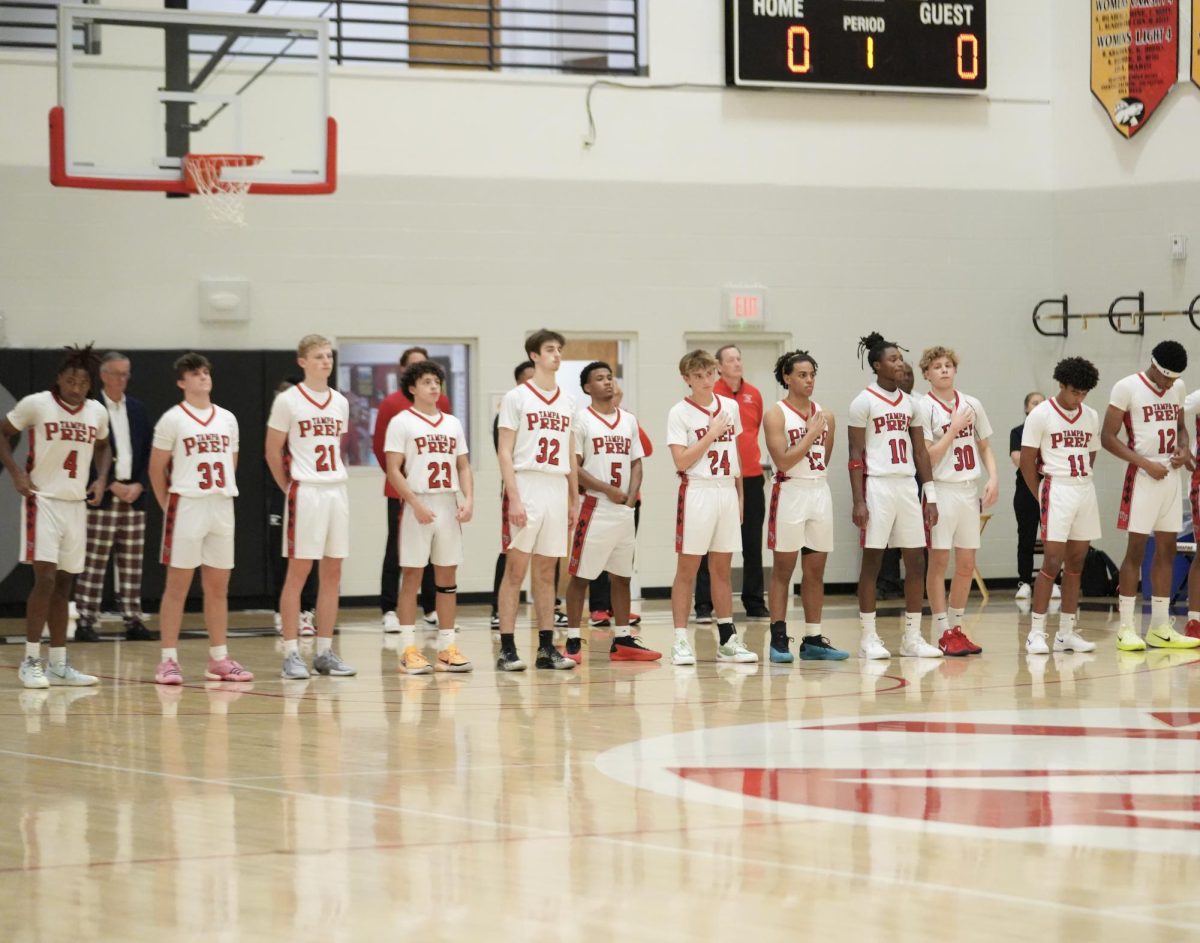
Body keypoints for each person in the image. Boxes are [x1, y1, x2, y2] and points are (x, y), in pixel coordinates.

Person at [0, 344, 109, 689]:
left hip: (76, 505)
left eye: (82, 382)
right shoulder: (37, 404)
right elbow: (3, 432)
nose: (76, 387)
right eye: (70, 380)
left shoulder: (96, 412)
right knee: (44, 580)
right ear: (59, 379)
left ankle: (59, 664)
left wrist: (102, 478)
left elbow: (104, 448)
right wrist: (16, 473)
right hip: (42, 500)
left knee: (65, 585)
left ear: (90, 384)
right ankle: (31, 659)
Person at [148, 353, 254, 685]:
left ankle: (219, 658)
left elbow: (231, 462)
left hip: (221, 504)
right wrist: (168, 504)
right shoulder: (172, 419)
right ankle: (167, 659)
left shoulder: (227, 418)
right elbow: (156, 468)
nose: (203, 377)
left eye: (206, 372)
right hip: (187, 504)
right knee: (177, 586)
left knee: (218, 586)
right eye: (195, 374)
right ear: (182, 382)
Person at [266, 334, 357, 679]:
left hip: (336, 490)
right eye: (318, 356)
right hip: (305, 491)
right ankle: (291, 653)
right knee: (298, 573)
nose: (325, 362)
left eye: (329, 356)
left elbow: (338, 446)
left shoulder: (340, 402)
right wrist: (288, 486)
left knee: (333, 573)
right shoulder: (288, 401)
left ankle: (324, 651)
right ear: (302, 361)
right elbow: (271, 451)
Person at [848, 333, 941, 660]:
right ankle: (869, 637)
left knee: (916, 561)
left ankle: (912, 637)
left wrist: (929, 494)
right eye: (893, 359)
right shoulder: (863, 402)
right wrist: (858, 499)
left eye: (901, 358)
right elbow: (855, 453)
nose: (900, 363)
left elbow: (920, 451)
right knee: (872, 562)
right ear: (877, 365)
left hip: (906, 486)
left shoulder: (911, 403)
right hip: (877, 486)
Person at [1101, 341, 1198, 650]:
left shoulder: (1178, 387)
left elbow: (1181, 426)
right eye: (1167, 377)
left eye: (1175, 379)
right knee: (1136, 552)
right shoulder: (1126, 387)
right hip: (1142, 475)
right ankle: (1126, 627)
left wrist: (1184, 448)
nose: (1171, 384)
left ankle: (1159, 626)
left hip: (1171, 475)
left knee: (1167, 550)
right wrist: (1145, 463)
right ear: (1155, 366)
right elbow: (1107, 437)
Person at [564, 361, 660, 662]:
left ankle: (622, 640)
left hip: (623, 509)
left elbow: (637, 461)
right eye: (599, 379)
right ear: (587, 388)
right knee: (581, 575)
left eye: (610, 377)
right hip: (594, 506)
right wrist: (607, 489)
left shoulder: (627, 420)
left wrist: (631, 497)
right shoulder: (581, 420)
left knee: (622, 575)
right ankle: (573, 639)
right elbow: (574, 467)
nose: (607, 382)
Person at [383, 358, 474, 673]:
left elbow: (463, 465)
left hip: (448, 503)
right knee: (412, 577)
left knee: (447, 580)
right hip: (418, 503)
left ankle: (448, 647)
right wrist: (413, 502)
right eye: (426, 382)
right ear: (412, 388)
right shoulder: (401, 422)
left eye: (437, 381)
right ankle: (408, 649)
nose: (434, 386)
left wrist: (469, 499)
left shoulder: (452, 423)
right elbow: (393, 469)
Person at [495, 329, 578, 671]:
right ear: (534, 355)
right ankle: (507, 648)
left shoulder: (569, 400)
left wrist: (574, 499)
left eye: (559, 350)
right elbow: (504, 451)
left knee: (547, 572)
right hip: (526, 484)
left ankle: (546, 648)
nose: (556, 355)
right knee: (516, 571)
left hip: (556, 487)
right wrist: (513, 497)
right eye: (549, 349)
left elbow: (572, 454)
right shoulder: (516, 397)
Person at [667, 349, 755, 666]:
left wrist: (740, 494)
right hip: (697, 491)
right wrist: (711, 434)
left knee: (722, 568)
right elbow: (681, 460)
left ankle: (728, 639)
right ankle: (679, 640)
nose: (705, 381)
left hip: (726, 491)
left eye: (709, 374)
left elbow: (736, 455)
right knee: (687, 570)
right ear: (687, 379)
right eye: (698, 376)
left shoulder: (730, 406)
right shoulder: (679, 413)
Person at [763, 349, 847, 663]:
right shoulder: (776, 414)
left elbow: (823, 459)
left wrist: (815, 435)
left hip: (818, 491)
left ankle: (813, 638)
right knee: (783, 569)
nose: (809, 380)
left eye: (812, 374)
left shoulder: (827, 415)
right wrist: (811, 434)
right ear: (787, 377)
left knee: (815, 570)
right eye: (802, 374)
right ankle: (778, 637)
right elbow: (783, 460)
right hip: (789, 492)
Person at [1019, 357, 1102, 655]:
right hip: (1056, 487)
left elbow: (1092, 455)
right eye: (1074, 392)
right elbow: (1027, 461)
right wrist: (1039, 492)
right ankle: (1036, 633)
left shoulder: (1090, 415)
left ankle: (1066, 633)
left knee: (1077, 562)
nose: (1079, 397)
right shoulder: (1041, 415)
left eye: (1084, 393)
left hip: (1084, 488)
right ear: (1062, 385)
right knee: (1052, 561)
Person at [919, 346, 998, 656]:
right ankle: (941, 631)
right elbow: (927, 455)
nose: (944, 370)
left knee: (967, 564)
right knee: (939, 562)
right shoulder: (923, 407)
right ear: (927, 373)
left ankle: (957, 628)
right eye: (937, 366)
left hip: (968, 489)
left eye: (948, 364)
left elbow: (986, 447)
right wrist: (951, 430)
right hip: (941, 490)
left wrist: (993, 477)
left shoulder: (972, 404)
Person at [75, 350, 157, 641]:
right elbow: (86, 452)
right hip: (105, 496)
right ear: (104, 375)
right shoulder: (91, 408)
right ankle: (86, 620)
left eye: (126, 374)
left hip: (134, 495)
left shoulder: (136, 408)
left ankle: (133, 619)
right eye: (117, 373)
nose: (123, 379)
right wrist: (108, 483)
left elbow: (149, 451)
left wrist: (140, 484)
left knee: (133, 563)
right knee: (94, 562)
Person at [374, 346, 451, 632]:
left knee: (436, 552)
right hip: (403, 492)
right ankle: (389, 609)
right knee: (398, 550)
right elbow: (383, 452)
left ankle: (431, 608)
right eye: (415, 367)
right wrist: (405, 483)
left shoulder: (442, 402)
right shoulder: (392, 405)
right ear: (405, 373)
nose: (429, 381)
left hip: (437, 491)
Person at [694, 345, 769, 622]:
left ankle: (754, 602)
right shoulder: (712, 395)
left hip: (751, 476)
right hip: (718, 480)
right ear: (719, 366)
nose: (737, 363)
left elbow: (752, 432)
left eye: (739, 358)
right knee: (707, 544)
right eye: (731, 360)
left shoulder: (754, 395)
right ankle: (704, 604)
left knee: (752, 542)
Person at [587, 382, 647, 628]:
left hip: (630, 500)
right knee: (596, 559)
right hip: (599, 502)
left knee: (623, 560)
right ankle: (598, 607)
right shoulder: (589, 421)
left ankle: (618, 608)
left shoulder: (627, 420)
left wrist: (630, 499)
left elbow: (646, 450)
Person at [491, 360, 535, 629]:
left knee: (546, 554)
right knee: (510, 552)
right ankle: (498, 611)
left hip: (546, 488)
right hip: (517, 486)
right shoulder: (510, 409)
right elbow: (504, 453)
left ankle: (550, 608)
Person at [1009, 391, 1051, 600]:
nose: (1038, 407)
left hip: (1050, 489)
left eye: (1042, 404)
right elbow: (1018, 459)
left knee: (1052, 538)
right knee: (1025, 537)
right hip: (1026, 491)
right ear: (1026, 408)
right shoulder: (1018, 432)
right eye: (1034, 403)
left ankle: (1054, 582)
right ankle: (1024, 581)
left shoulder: (1051, 432)